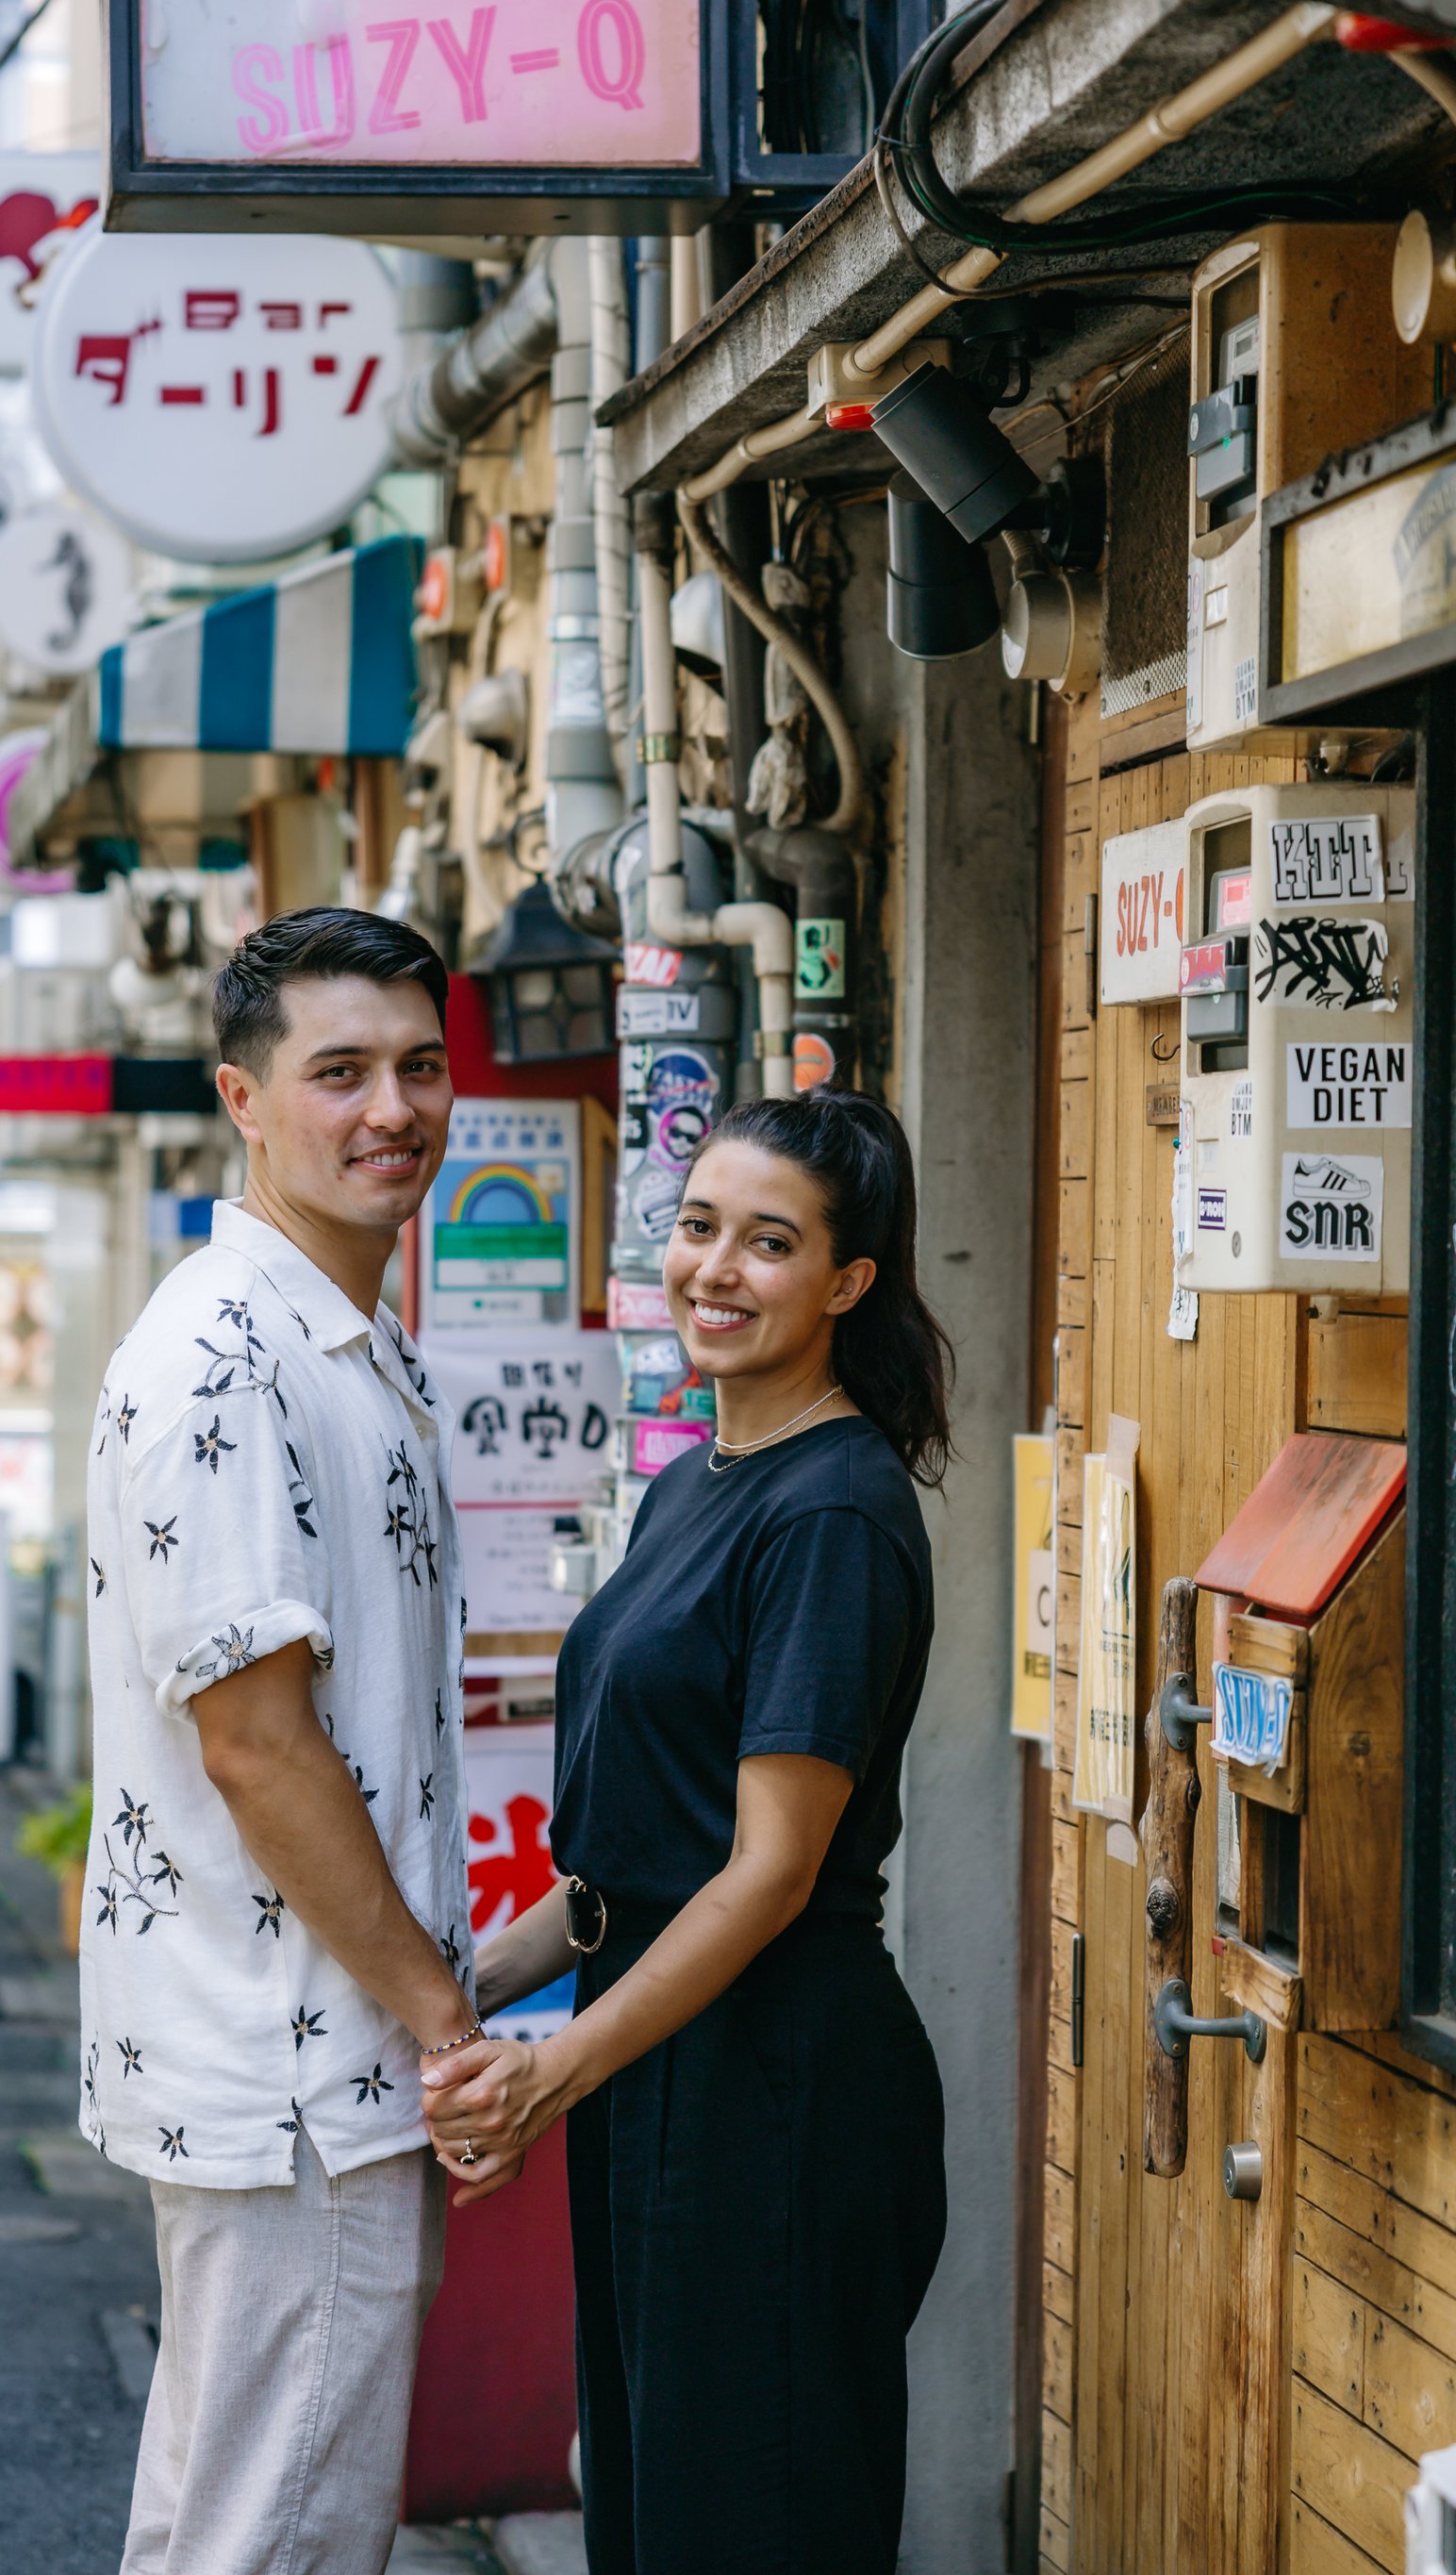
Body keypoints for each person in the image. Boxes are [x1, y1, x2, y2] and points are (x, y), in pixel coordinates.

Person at [421, 1088, 953, 2575]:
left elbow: (769, 1872)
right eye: (700, 1225)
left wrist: (554, 2068)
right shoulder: (688, 1486)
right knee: (656, 2513)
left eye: (769, 1242)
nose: (715, 1268)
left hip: (774, 2082)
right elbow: (631, 1864)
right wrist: (461, 1989)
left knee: (750, 2519)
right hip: (660, 2060)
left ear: (847, 1281)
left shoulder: (833, 1513)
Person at [81, 907, 480, 2575]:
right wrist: (439, 2017)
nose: (393, 1109)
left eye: (419, 1066)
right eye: (340, 1072)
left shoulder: (333, 1332)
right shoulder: (231, 1362)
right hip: (305, 2076)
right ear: (243, 1099)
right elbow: (257, 1746)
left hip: (295, 2066)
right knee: (280, 2540)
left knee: (219, 2529)